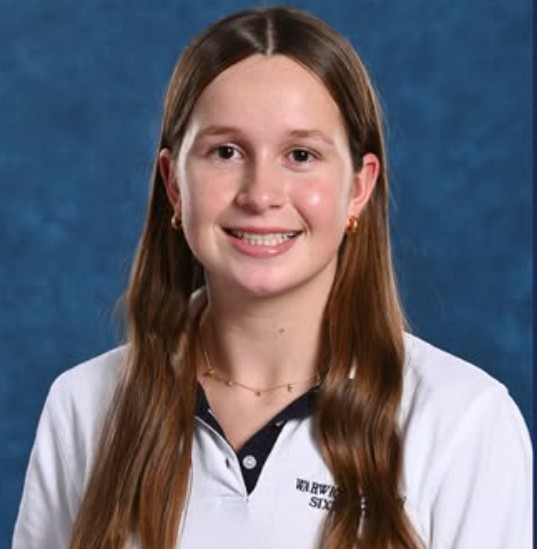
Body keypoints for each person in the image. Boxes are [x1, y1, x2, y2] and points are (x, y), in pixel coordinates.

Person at [13, 6, 531, 549]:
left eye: (301, 154)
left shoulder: (463, 421)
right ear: (173, 183)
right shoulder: (83, 406)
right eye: (225, 151)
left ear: (359, 187)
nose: (260, 194)